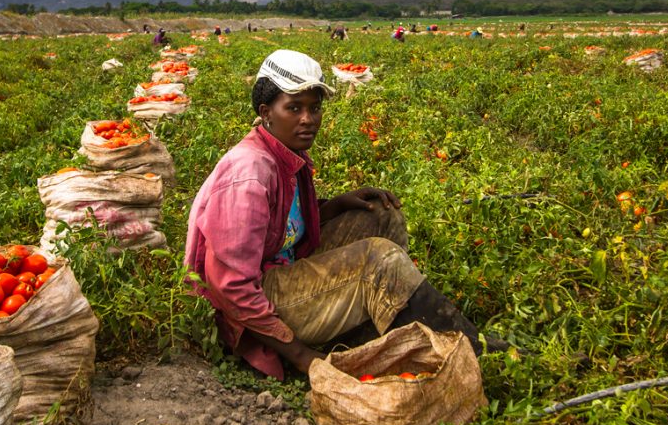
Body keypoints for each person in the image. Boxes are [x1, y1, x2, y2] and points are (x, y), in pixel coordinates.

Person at [185, 49, 509, 380]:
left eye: (314, 108)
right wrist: (301, 356)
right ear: (267, 112)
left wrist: (336, 205)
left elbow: (280, 227)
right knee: (378, 261)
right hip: (255, 303)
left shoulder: (284, 154)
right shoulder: (250, 172)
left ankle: (384, 324)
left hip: (285, 268)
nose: (307, 119)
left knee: (382, 217)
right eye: (293, 108)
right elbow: (230, 286)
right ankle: (469, 351)